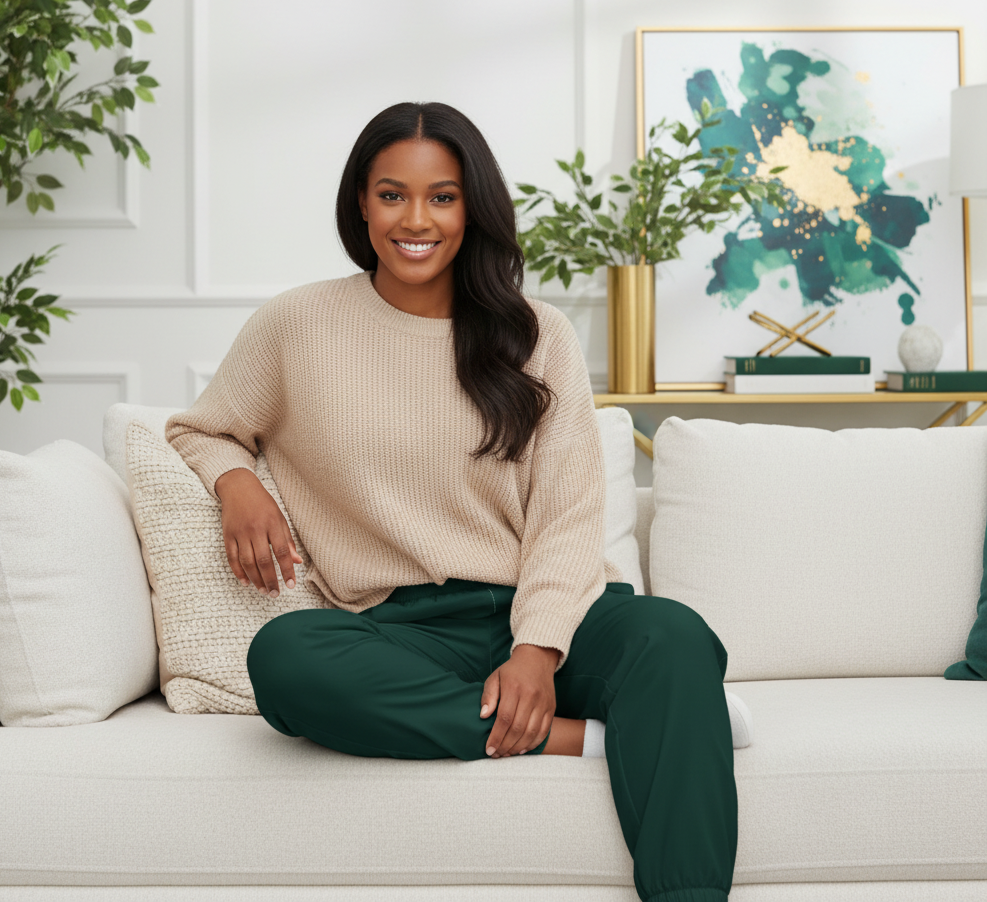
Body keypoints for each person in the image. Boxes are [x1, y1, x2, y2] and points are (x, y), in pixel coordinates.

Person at [165, 101, 737, 902]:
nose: (416, 220)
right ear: (360, 203)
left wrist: (536, 651)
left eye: (442, 197)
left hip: (554, 614)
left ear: (473, 207)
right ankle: (582, 740)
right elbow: (205, 429)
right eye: (392, 194)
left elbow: (567, 515)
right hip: (404, 632)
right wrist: (238, 484)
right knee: (285, 660)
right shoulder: (296, 324)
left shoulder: (535, 334)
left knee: (673, 637)